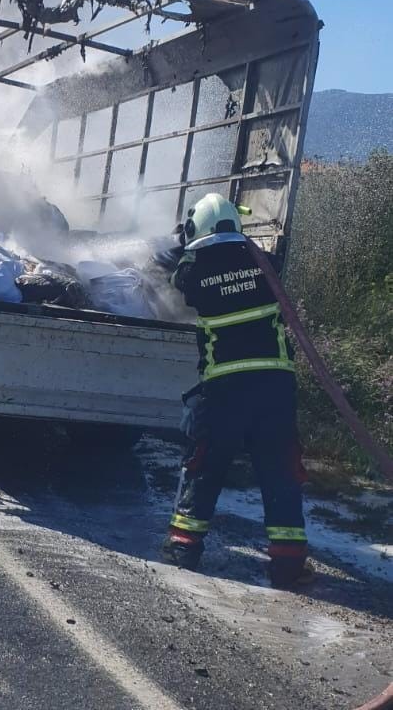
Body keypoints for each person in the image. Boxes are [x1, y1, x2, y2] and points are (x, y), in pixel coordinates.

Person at [162, 193, 312, 588]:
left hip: (224, 389)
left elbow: (178, 283)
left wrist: (179, 248)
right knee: (280, 472)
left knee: (205, 467)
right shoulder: (266, 262)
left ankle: (183, 549)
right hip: (275, 388)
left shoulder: (193, 269)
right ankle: (289, 565)